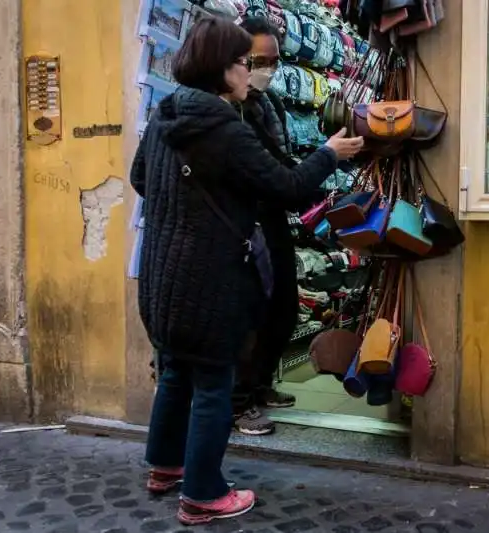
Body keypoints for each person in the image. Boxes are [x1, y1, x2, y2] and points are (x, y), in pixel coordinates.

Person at [130, 16, 363, 526]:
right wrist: (329, 154)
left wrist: (187, 210)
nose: (251, 71)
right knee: (214, 381)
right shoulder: (223, 128)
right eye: (245, 62)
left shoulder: (166, 113)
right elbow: (286, 186)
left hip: (161, 275)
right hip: (209, 279)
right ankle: (204, 493)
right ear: (223, 68)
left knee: (175, 372)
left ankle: (164, 467)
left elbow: (140, 178)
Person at [231, 17, 305, 436]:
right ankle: (240, 403)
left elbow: (281, 158)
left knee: (283, 308)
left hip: (274, 216)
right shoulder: (227, 108)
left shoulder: (269, 103)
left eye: (274, 61)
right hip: (245, 223)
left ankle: (259, 386)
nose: (267, 69)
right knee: (251, 316)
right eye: (260, 60)